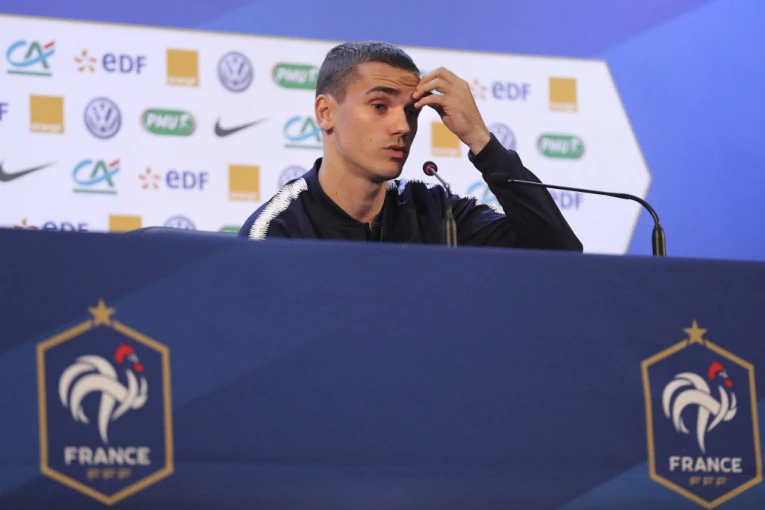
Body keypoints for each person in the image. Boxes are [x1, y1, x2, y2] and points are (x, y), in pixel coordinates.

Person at [238, 41, 582, 251]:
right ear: (325, 113)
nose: (403, 126)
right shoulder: (276, 232)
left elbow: (559, 255)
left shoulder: (440, 215)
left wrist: (481, 140)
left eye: (412, 112)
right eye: (379, 106)